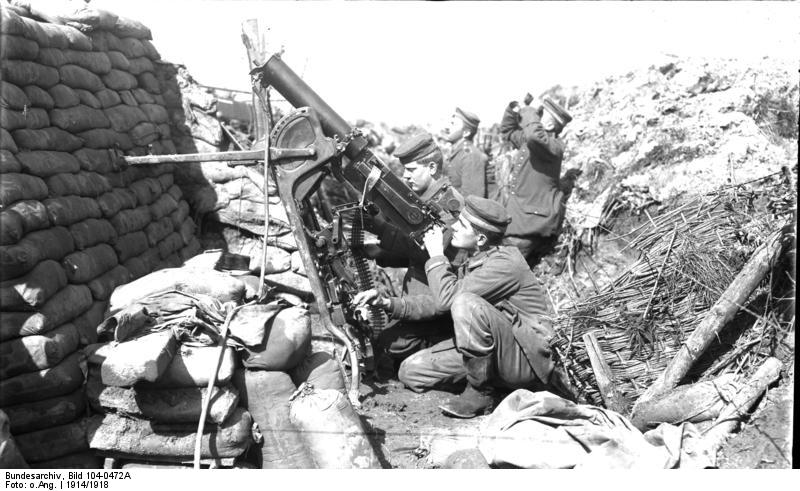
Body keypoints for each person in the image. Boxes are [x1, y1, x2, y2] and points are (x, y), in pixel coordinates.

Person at [357, 195, 574, 418]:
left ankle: (480, 392)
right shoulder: (477, 258)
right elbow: (437, 302)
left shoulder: (505, 264)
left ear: (480, 239)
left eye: (462, 225)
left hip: (524, 358)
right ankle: (496, 384)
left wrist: (436, 255)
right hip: (491, 352)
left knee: (464, 302)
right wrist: (388, 303)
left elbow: (449, 299)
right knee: (411, 372)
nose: (455, 228)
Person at [358, 132, 465, 372]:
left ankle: (441, 341)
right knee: (382, 339)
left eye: (412, 169)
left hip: (437, 304)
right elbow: (417, 253)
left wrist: (380, 228)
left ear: (432, 167)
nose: (405, 176)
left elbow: (420, 250)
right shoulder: (428, 198)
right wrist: (379, 253)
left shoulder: (448, 208)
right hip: (418, 294)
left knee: (389, 345)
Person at [498, 95, 573, 268]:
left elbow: (533, 136)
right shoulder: (533, 143)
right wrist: (514, 110)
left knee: (504, 271)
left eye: (541, 115)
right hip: (519, 221)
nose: (536, 117)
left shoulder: (554, 147)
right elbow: (508, 131)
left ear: (548, 125)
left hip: (528, 226)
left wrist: (530, 111)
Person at [443, 107, 490, 199]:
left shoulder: (470, 155)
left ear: (466, 132)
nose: (447, 127)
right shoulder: (459, 152)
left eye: (452, 124)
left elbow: (472, 199)